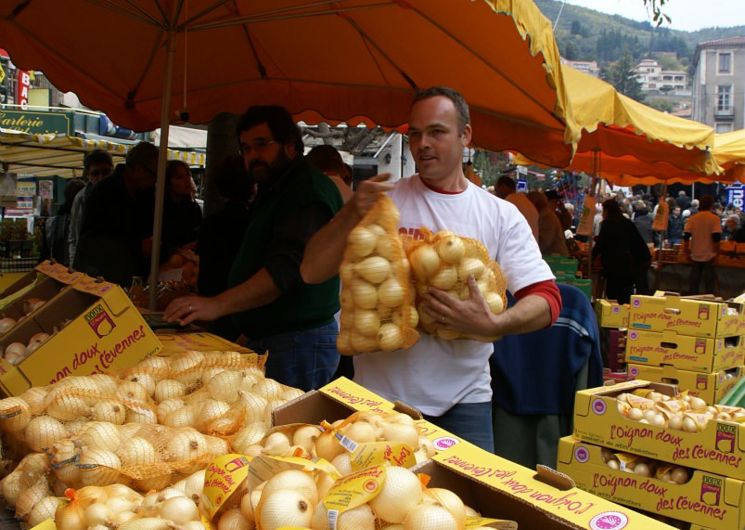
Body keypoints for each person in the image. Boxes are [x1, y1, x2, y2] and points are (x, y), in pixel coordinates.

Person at [299, 86, 562, 451]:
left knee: (468, 508)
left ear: (465, 135)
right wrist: (348, 213)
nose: (423, 143)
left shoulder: (499, 215)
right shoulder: (380, 203)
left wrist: (494, 324)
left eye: (436, 132)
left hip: (464, 404)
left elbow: (547, 299)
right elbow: (311, 271)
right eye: (415, 133)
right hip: (376, 401)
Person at [164, 105, 344, 391]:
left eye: (262, 145)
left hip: (298, 342)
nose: (252, 156)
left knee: (281, 429)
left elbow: (283, 272)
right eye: (246, 148)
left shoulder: (306, 191)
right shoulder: (276, 188)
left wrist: (217, 304)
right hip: (279, 338)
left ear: (290, 145)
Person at [74, 142, 158, 286]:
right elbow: (92, 241)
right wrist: (138, 246)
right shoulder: (103, 193)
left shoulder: (147, 194)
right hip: (103, 278)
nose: (156, 180)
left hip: (136, 277)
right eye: (154, 174)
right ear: (138, 170)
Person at [197, 155, 253, 340]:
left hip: (218, 307)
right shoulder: (256, 221)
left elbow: (206, 277)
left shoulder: (212, 224)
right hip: (249, 308)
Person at [592, 199, 651, 304]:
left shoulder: (608, 223)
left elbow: (600, 245)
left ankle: (615, 315)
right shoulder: (626, 222)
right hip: (629, 266)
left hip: (617, 265)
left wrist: (590, 259)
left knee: (614, 295)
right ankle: (623, 314)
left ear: (607, 210)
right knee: (625, 295)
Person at [68, 150, 114, 267]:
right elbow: (73, 236)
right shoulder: (81, 198)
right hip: (88, 266)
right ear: (88, 175)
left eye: (105, 172)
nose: (101, 177)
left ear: (112, 170)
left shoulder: (121, 194)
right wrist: (75, 265)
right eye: (95, 173)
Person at [161, 160, 203, 261]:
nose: (187, 179)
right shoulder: (161, 210)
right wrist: (179, 249)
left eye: (188, 175)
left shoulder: (193, 208)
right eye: (179, 177)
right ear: (168, 183)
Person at [43, 178, 86, 266]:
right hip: (81, 272)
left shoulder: (51, 223)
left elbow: (44, 254)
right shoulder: (87, 220)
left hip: (58, 271)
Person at [684, 195, 721, 295]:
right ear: (711, 205)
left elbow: (686, 237)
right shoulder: (715, 219)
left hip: (695, 254)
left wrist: (686, 252)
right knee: (709, 285)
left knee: (694, 284)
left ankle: (692, 303)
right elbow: (716, 238)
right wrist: (717, 254)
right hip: (710, 255)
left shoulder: (693, 218)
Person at [494, 175, 538, 240]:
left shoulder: (507, 204)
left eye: (496, 190)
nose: (495, 193)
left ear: (503, 187)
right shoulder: (528, 203)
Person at [527, 191, 569, 257]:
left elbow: (543, 242)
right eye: (555, 202)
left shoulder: (547, 216)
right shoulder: (545, 215)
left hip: (555, 259)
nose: (556, 205)